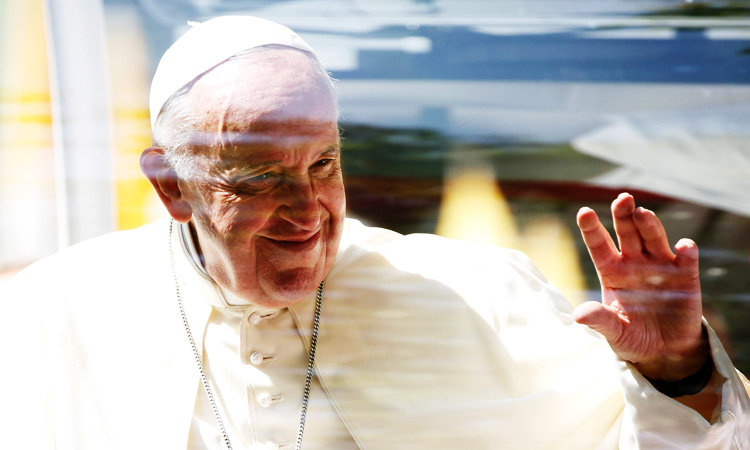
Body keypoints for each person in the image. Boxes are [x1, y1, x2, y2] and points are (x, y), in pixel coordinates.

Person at [2, 16, 748, 450]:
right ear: (170, 186)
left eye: (322, 163)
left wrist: (678, 373)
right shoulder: (48, 315)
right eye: (259, 177)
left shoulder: (478, 293)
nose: (305, 210)